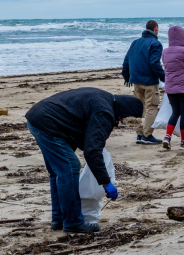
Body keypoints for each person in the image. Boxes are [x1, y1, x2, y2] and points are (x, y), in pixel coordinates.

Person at [26, 88, 143, 233]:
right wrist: (106, 182)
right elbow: (92, 151)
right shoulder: (104, 113)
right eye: (123, 119)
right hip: (47, 124)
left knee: (58, 172)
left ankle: (59, 218)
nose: (121, 122)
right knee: (70, 167)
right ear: (124, 112)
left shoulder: (104, 99)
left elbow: (83, 136)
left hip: (39, 119)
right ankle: (73, 222)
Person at [122, 20, 165, 144]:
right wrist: (164, 77)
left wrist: (127, 77)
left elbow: (126, 60)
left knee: (139, 108)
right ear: (155, 29)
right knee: (151, 107)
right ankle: (147, 135)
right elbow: (154, 63)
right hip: (150, 81)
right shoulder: (155, 43)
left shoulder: (135, 42)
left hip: (136, 80)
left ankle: (139, 135)